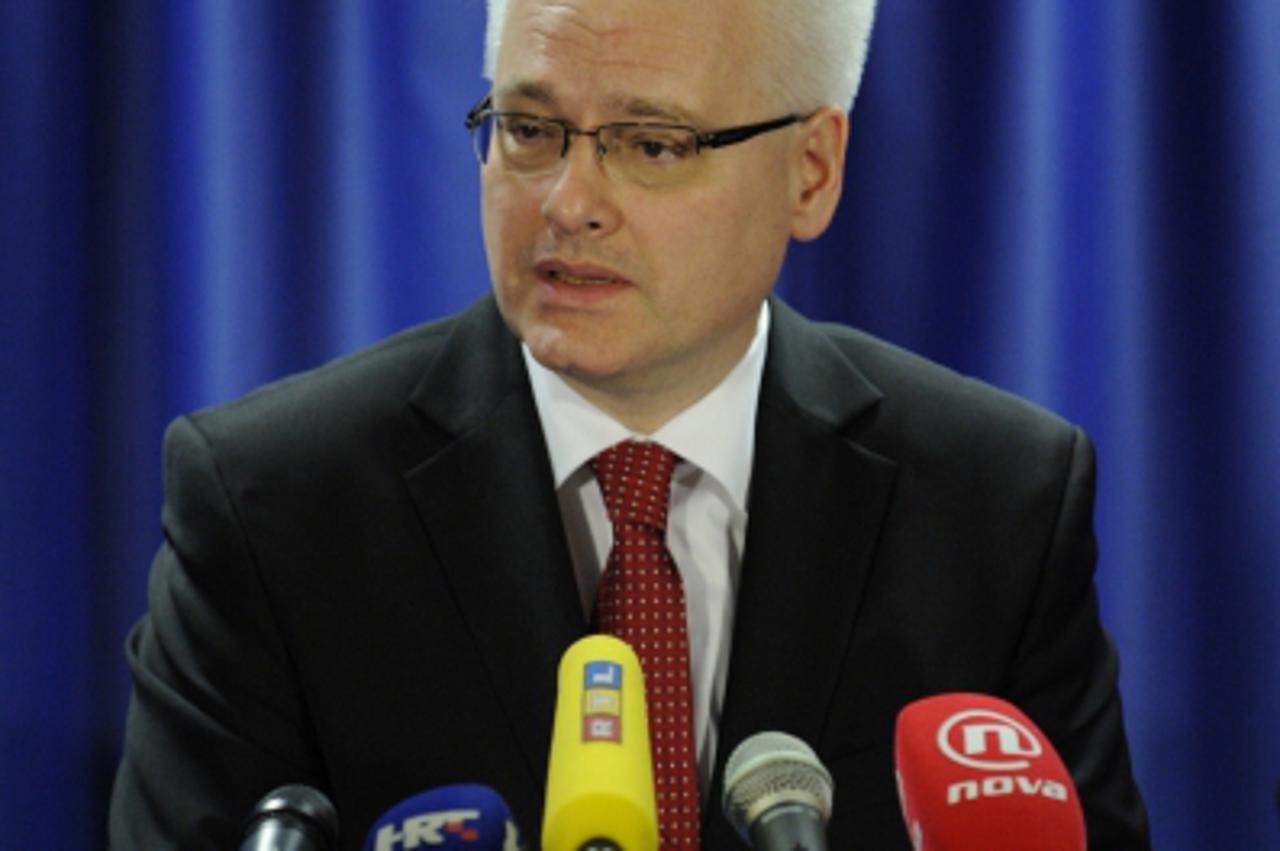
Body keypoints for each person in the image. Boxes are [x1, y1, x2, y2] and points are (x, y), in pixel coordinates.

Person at [109, 0, 1151, 847]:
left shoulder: (996, 501)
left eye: (651, 144)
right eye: (528, 129)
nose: (568, 201)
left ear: (810, 170)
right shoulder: (270, 502)